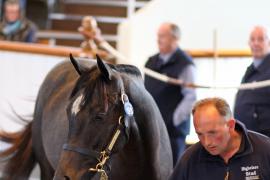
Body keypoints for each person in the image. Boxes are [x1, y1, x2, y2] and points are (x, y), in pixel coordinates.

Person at [170, 97, 270, 180]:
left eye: (212, 133)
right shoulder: (190, 159)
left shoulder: (265, 149)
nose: (207, 142)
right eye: (200, 134)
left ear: (231, 126)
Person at [144, 22, 196, 166]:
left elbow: (190, 97)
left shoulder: (185, 64)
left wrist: (173, 120)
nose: (158, 39)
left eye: (163, 36)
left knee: (171, 170)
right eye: (158, 36)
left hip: (173, 133)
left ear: (175, 38)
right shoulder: (151, 62)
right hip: (152, 128)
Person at [234, 25, 270, 137]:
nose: (256, 43)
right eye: (252, 39)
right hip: (248, 135)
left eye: (260, 39)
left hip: (264, 137)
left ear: (268, 42)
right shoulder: (250, 69)